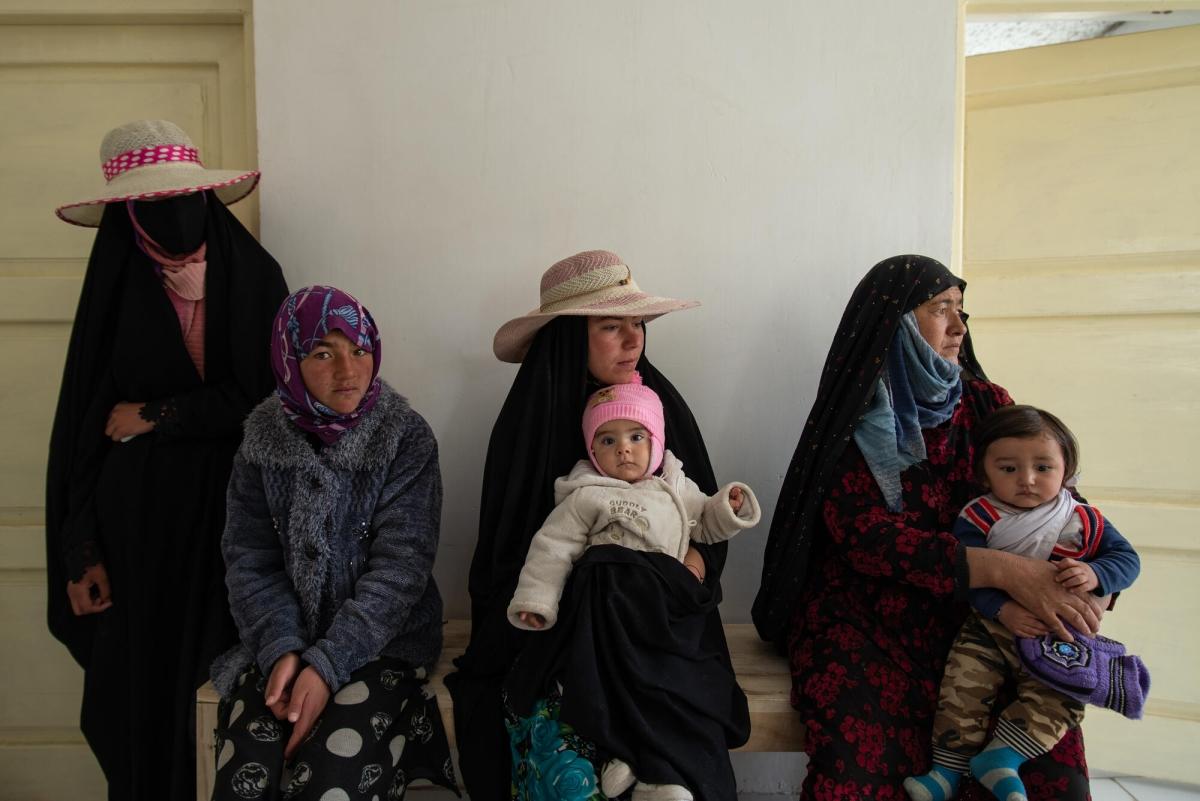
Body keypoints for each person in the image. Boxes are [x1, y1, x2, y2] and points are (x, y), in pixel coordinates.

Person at [752, 255, 1105, 801]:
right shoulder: (859, 413)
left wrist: (1087, 577)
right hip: (867, 614)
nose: (960, 327)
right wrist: (1004, 570)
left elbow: (1058, 500)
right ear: (894, 322)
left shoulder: (989, 407)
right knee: (863, 763)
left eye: (961, 311)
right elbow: (864, 537)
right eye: (941, 310)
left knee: (1042, 755)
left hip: (981, 611)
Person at [446, 249, 746, 801]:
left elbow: (700, 513)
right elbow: (508, 557)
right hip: (559, 627)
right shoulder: (526, 425)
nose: (634, 340)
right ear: (568, 336)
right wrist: (594, 581)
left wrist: (698, 562)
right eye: (612, 326)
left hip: (661, 617)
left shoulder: (661, 407)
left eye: (637, 324)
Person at [46, 119, 287, 800]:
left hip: (236, 527)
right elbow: (83, 430)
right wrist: (80, 549)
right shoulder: (118, 288)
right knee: (137, 698)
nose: (176, 218)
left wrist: (158, 415)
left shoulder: (253, 276)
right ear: (130, 213)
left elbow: (268, 400)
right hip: (137, 534)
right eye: (156, 206)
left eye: (184, 199)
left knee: (223, 693)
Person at [210, 285, 458, 800]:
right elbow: (249, 560)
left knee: (330, 773)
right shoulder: (260, 444)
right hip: (285, 636)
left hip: (382, 644)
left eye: (359, 350)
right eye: (323, 353)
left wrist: (325, 666)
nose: (348, 371)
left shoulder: (404, 437)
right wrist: (282, 651)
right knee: (247, 769)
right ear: (289, 359)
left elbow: (401, 570)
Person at [507, 376, 761, 801]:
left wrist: (729, 506)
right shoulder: (586, 495)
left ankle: (659, 777)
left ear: (657, 441)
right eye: (607, 440)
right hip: (613, 614)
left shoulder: (678, 488)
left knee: (671, 683)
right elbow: (552, 548)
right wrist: (536, 601)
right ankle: (625, 755)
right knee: (616, 676)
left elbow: (709, 526)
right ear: (592, 451)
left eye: (636, 436)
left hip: (666, 616)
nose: (623, 448)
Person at [905, 405, 1146, 801]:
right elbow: (968, 576)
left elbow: (1128, 561)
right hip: (988, 628)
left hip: (1059, 636)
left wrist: (1097, 574)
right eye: (1009, 468)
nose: (1028, 480)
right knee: (961, 686)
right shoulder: (978, 518)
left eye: (1043, 468)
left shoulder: (1083, 520)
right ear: (984, 473)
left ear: (1066, 471)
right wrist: (1002, 609)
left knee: (1064, 697)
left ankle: (1003, 758)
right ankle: (946, 770)